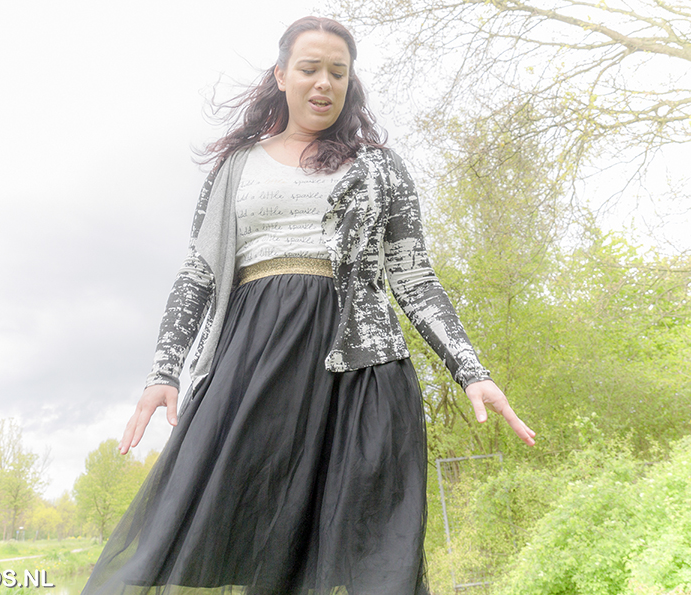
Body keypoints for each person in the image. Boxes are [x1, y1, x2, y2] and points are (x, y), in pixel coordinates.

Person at [82, 16, 534, 595]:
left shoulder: (380, 168)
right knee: (256, 547)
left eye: (338, 72)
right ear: (281, 75)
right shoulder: (235, 167)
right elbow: (198, 275)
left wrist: (471, 371)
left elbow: (415, 278)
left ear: (350, 82)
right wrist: (163, 373)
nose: (324, 82)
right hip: (252, 369)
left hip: (362, 374)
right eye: (310, 68)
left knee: (369, 557)